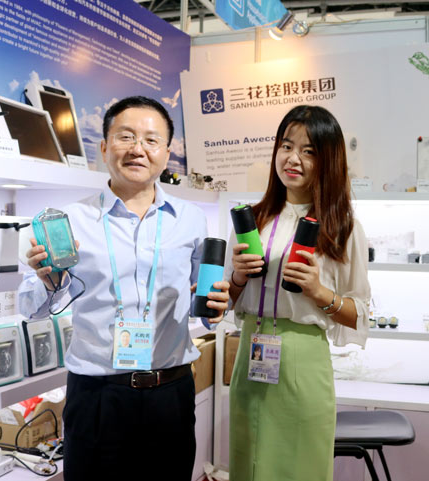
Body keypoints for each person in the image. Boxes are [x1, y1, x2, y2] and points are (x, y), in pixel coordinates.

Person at [18, 96, 230, 481]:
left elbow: (203, 304)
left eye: (151, 140)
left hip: (170, 393)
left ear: (167, 154)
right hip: (96, 396)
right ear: (104, 147)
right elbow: (31, 308)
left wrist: (216, 306)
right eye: (126, 137)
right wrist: (48, 282)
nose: (137, 149)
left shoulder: (191, 219)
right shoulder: (70, 219)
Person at [225, 105, 370, 481]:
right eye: (286, 146)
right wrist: (237, 278)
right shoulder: (251, 219)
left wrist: (320, 292)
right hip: (250, 355)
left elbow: (359, 314)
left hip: (304, 361)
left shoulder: (343, 227)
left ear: (328, 160)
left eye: (309, 151)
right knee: (248, 462)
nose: (293, 159)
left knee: (300, 467)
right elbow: (227, 301)